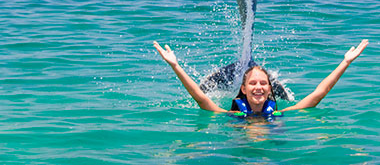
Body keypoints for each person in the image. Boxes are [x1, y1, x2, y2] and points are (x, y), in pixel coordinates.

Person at [152, 39, 368, 116]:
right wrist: (175, 66)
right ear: (243, 89)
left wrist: (346, 62)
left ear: (269, 88)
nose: (258, 87)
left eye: (263, 83)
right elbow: (200, 98)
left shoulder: (279, 114)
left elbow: (318, 94)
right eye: (253, 83)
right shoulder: (233, 117)